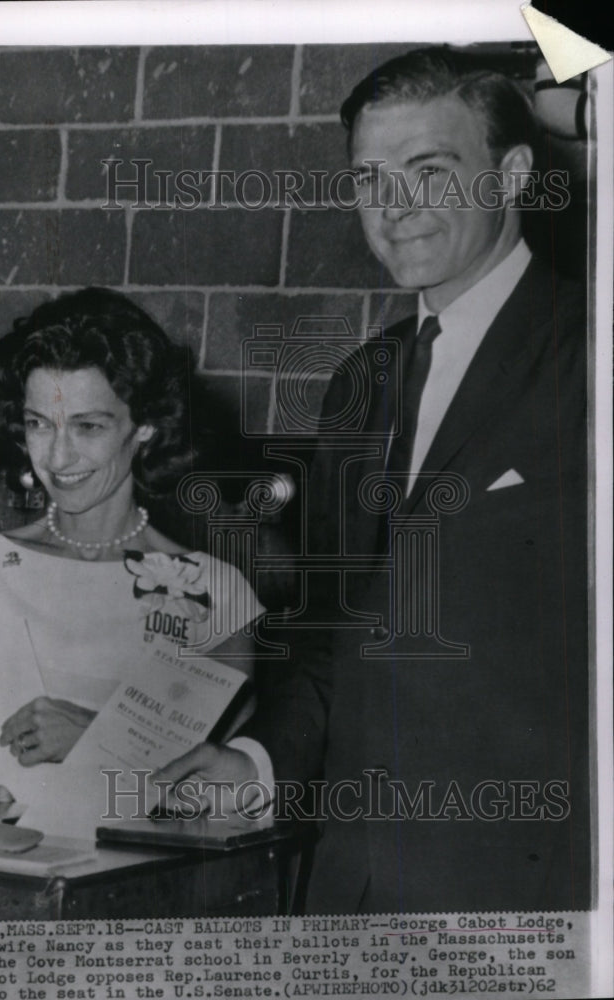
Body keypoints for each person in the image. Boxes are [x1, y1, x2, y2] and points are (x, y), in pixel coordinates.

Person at [156, 47, 590, 914]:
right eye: (368, 180)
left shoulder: (588, 351)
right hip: (350, 882)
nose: (392, 211)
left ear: (508, 177)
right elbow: (330, 631)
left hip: (529, 885)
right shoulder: (360, 382)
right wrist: (257, 761)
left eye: (428, 173)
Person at [0, 287, 263, 835]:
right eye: (40, 423)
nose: (57, 458)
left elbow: (221, 789)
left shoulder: (216, 593)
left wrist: (94, 732)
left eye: (88, 426)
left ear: (145, 428)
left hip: (140, 894)